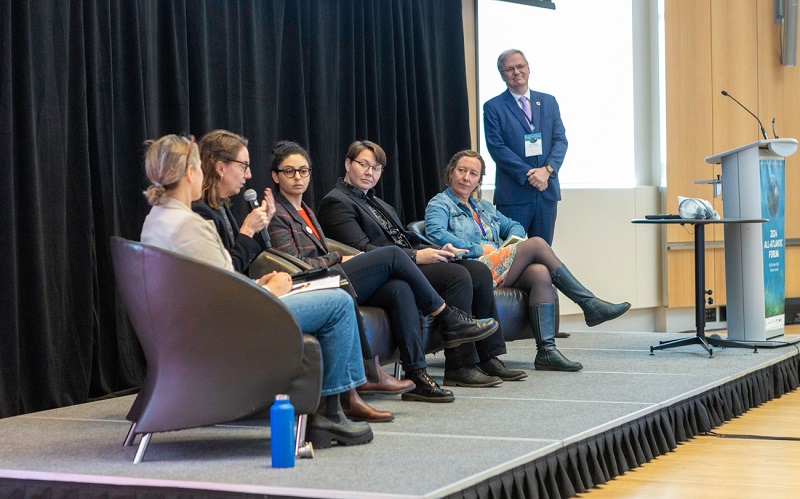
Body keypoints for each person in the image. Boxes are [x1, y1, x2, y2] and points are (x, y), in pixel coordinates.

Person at [139, 134, 372, 449]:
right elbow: (228, 300)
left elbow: (216, 283)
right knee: (339, 303)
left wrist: (258, 284)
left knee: (330, 294)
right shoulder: (190, 225)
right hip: (225, 329)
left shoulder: (157, 218)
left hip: (191, 328)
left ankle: (335, 405)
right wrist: (272, 289)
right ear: (191, 173)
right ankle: (330, 413)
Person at [189, 129, 400, 423]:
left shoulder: (220, 209)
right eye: (243, 166)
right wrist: (250, 236)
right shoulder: (201, 215)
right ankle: (340, 403)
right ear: (221, 167)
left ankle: (350, 395)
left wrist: (256, 268)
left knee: (392, 285)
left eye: (304, 171)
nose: (248, 175)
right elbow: (223, 278)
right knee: (341, 298)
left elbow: (232, 268)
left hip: (250, 294)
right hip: (238, 310)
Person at [267, 141, 499, 404]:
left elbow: (405, 237)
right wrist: (339, 256)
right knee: (399, 257)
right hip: (321, 281)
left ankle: (419, 375)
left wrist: (435, 249)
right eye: (289, 172)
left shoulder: (310, 209)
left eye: (304, 171)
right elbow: (301, 262)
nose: (298, 177)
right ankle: (449, 320)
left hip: (356, 271)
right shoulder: (307, 206)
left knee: (402, 289)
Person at [318, 140, 527, 388]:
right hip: (384, 272)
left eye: (375, 168)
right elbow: (364, 251)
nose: (369, 172)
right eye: (363, 165)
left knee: (478, 271)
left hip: (405, 262)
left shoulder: (379, 203)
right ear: (347, 164)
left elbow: (407, 239)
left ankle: (487, 356)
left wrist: (439, 250)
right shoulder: (337, 202)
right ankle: (460, 365)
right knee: (457, 276)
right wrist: (418, 257)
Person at [425, 150, 631, 371]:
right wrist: (477, 248)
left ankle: (546, 352)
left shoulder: (482, 207)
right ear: (451, 172)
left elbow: (515, 226)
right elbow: (435, 233)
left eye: (473, 174)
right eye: (462, 171)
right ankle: (589, 303)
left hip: (497, 263)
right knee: (537, 244)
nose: (466, 178)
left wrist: (507, 244)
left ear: (478, 180)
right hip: (472, 269)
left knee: (540, 272)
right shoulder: (440, 204)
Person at [484, 48, 567, 246]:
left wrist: (547, 171)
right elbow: (497, 148)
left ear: (528, 68)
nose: (516, 72)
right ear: (502, 75)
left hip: (546, 192)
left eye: (520, 66)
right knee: (511, 256)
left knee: (544, 253)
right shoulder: (493, 107)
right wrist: (532, 175)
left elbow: (560, 140)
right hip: (514, 195)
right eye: (509, 69)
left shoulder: (549, 101)